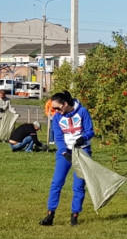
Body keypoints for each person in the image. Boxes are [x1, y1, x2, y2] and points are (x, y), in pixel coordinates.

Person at [39, 91, 95, 226]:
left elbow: (90, 130)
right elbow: (58, 137)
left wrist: (83, 139)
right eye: (54, 109)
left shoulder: (82, 112)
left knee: (78, 185)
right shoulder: (58, 117)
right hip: (65, 153)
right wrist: (64, 152)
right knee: (56, 183)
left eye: (57, 108)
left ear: (65, 104)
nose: (56, 111)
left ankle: (74, 215)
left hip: (82, 152)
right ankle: (50, 215)